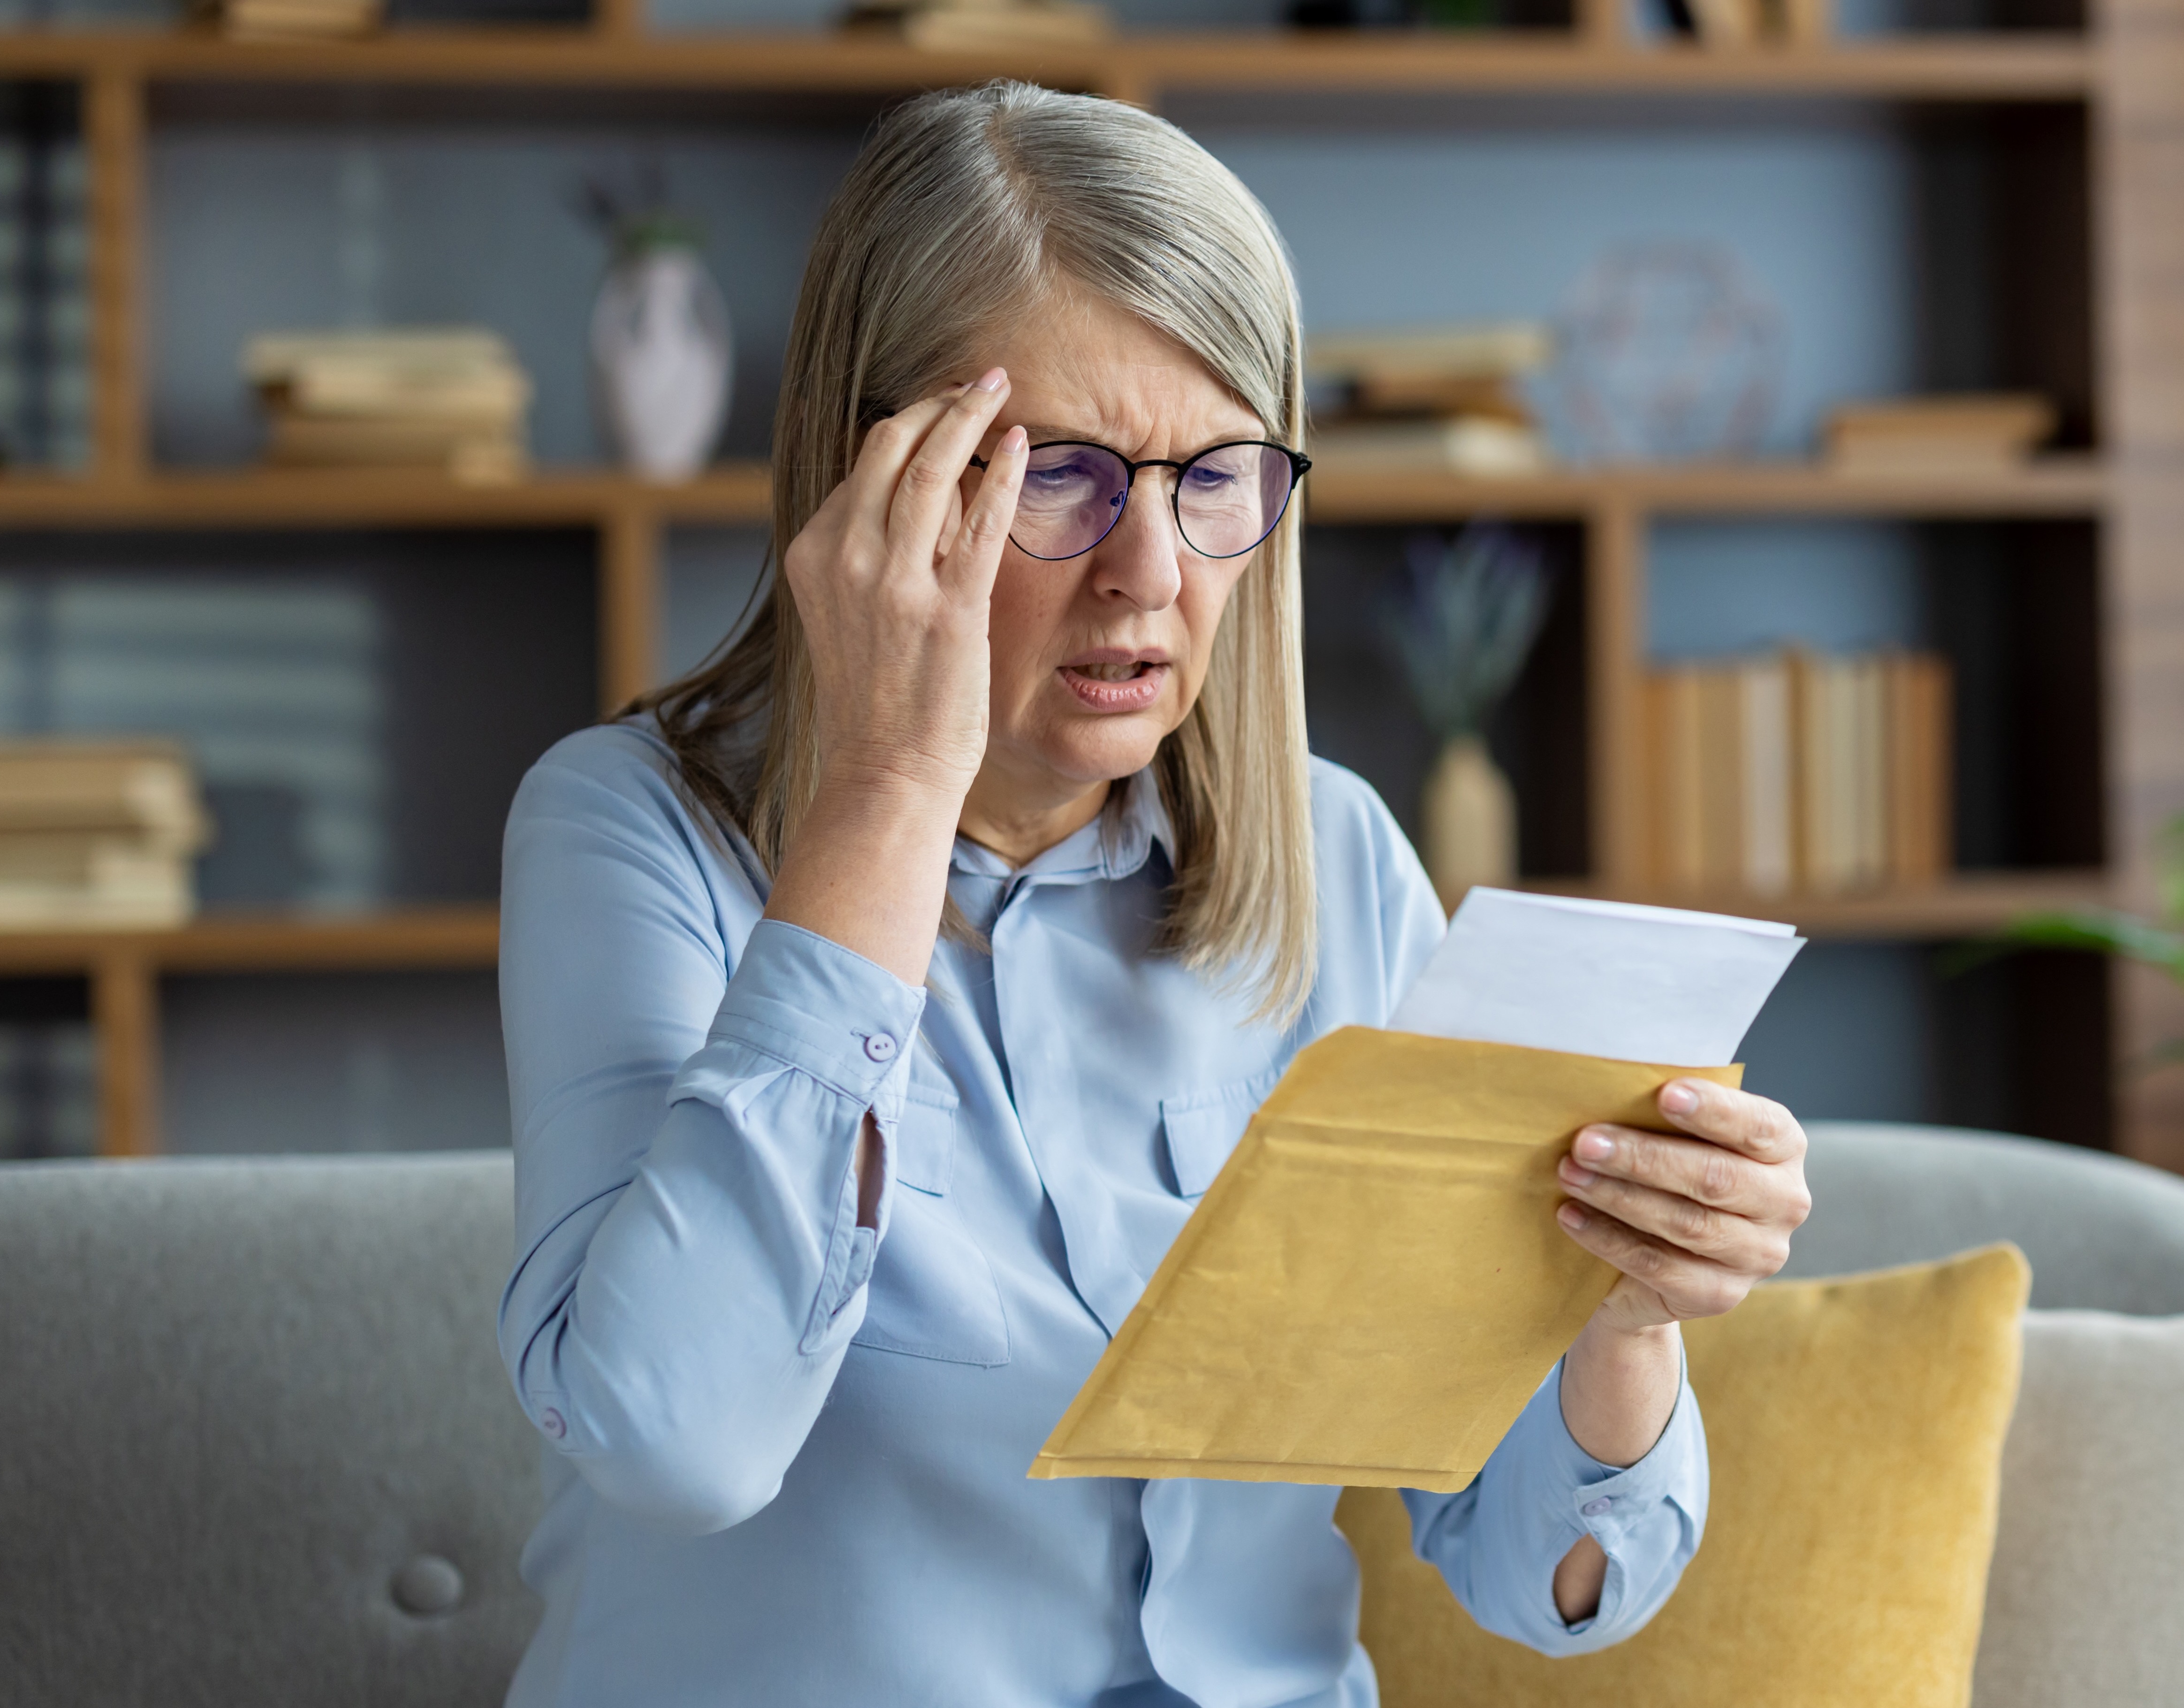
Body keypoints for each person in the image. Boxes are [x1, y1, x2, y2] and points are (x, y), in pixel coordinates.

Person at [492, 81, 1811, 1707]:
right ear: (876, 487)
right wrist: (893, 786)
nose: (1153, 573)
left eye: (1214, 477)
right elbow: (677, 1445)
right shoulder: (627, 832)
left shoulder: (1335, 863)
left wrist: (1625, 1308)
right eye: (1060, 476)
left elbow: (1540, 1574)